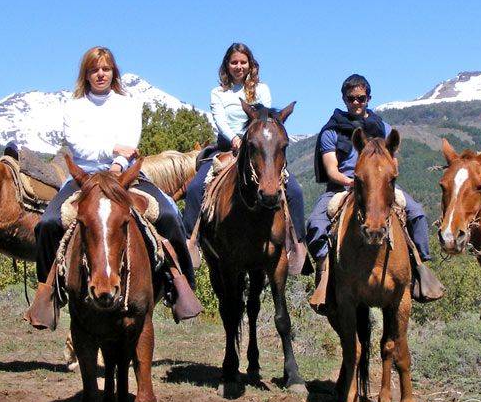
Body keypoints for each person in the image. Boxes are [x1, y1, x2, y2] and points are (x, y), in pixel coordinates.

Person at [27, 46, 201, 327]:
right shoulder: (74, 106)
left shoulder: (127, 104)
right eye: (94, 70)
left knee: (169, 214)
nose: (100, 74)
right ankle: (48, 293)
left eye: (105, 69)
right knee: (48, 222)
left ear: (113, 72)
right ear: (86, 74)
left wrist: (119, 163)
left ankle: (179, 284)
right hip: (84, 177)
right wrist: (111, 148)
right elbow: (76, 144)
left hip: (124, 174)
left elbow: (130, 141)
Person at [306, 74, 442, 312]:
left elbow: (393, 163)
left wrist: (380, 180)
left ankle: (419, 268)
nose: (356, 103)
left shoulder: (383, 128)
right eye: (351, 98)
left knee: (417, 213)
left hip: (380, 185)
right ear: (344, 99)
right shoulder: (331, 131)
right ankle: (326, 274)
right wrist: (355, 182)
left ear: (368, 98)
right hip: (344, 185)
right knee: (316, 223)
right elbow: (331, 170)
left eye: (361, 98)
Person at [181, 43, 306, 255]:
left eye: (243, 62)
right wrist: (234, 139)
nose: (239, 66)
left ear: (250, 65)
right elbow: (219, 119)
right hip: (227, 148)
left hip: (258, 148)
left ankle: (298, 244)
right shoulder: (218, 92)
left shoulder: (261, 89)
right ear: (227, 65)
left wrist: (249, 139)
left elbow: (265, 118)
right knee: (195, 188)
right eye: (234, 62)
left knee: (295, 190)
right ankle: (190, 242)